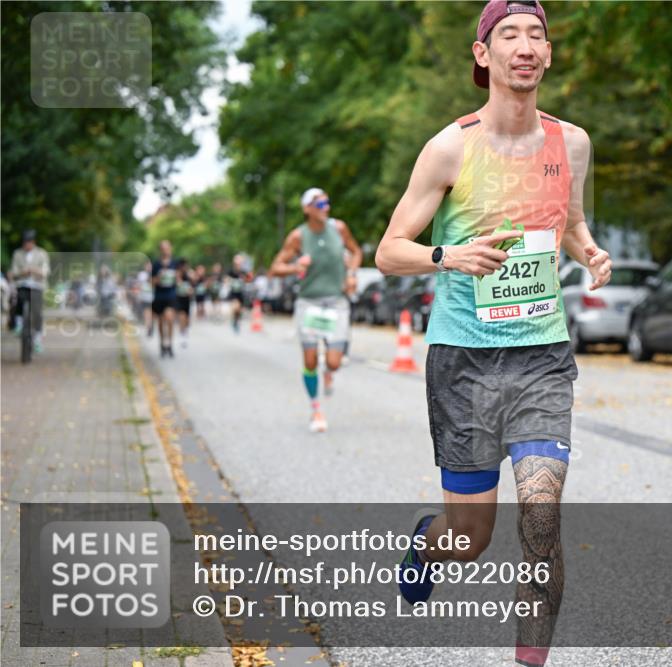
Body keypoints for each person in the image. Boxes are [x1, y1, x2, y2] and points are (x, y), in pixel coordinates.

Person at [374, 2, 611, 665]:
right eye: (510, 34)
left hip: (541, 356)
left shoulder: (573, 143)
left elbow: (570, 220)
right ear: (484, 55)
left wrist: (589, 251)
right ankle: (428, 543)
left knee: (541, 516)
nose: (525, 45)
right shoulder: (451, 147)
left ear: (549, 53)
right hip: (465, 361)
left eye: (537, 34)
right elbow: (389, 251)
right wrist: (448, 255)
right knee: (469, 538)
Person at [270, 187, 362, 433]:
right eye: (320, 204)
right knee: (310, 361)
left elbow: (356, 252)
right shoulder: (298, 237)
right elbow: (275, 267)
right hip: (309, 303)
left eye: (327, 203)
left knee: (334, 361)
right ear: (307, 209)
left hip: (337, 302)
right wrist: (296, 266)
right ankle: (316, 409)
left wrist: (352, 274)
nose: (326, 208)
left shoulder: (339, 228)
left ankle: (329, 372)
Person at [10, 229, 50, 353]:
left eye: (28, 242)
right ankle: (18, 323)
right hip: (22, 284)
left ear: (33, 242)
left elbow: (45, 271)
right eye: (24, 242)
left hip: (37, 285)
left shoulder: (42, 254)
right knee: (17, 300)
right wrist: (23, 272)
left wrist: (34, 270)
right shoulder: (17, 254)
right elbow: (14, 271)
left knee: (37, 312)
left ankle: (37, 339)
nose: (26, 244)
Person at [150, 240, 179, 358]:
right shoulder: (156, 264)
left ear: (170, 248)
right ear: (160, 250)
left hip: (171, 295)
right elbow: (152, 282)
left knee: (170, 319)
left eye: (167, 248)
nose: (165, 250)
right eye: (163, 248)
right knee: (161, 322)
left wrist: (177, 277)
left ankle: (170, 344)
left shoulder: (175, 263)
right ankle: (162, 344)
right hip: (159, 296)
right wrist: (159, 277)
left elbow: (179, 280)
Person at [227, 255, 248, 333]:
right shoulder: (231, 271)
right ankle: (233, 320)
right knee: (235, 307)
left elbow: (248, 279)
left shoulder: (243, 272)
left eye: (240, 263)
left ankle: (236, 321)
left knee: (239, 310)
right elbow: (226, 279)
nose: (238, 264)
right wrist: (230, 281)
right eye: (237, 263)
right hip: (233, 292)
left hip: (240, 293)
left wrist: (244, 280)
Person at [175, 258, 193, 348]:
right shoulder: (176, 274)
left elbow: (192, 285)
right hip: (179, 299)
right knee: (182, 317)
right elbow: (177, 284)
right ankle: (182, 336)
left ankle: (185, 332)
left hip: (187, 300)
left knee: (187, 320)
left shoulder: (188, 275)